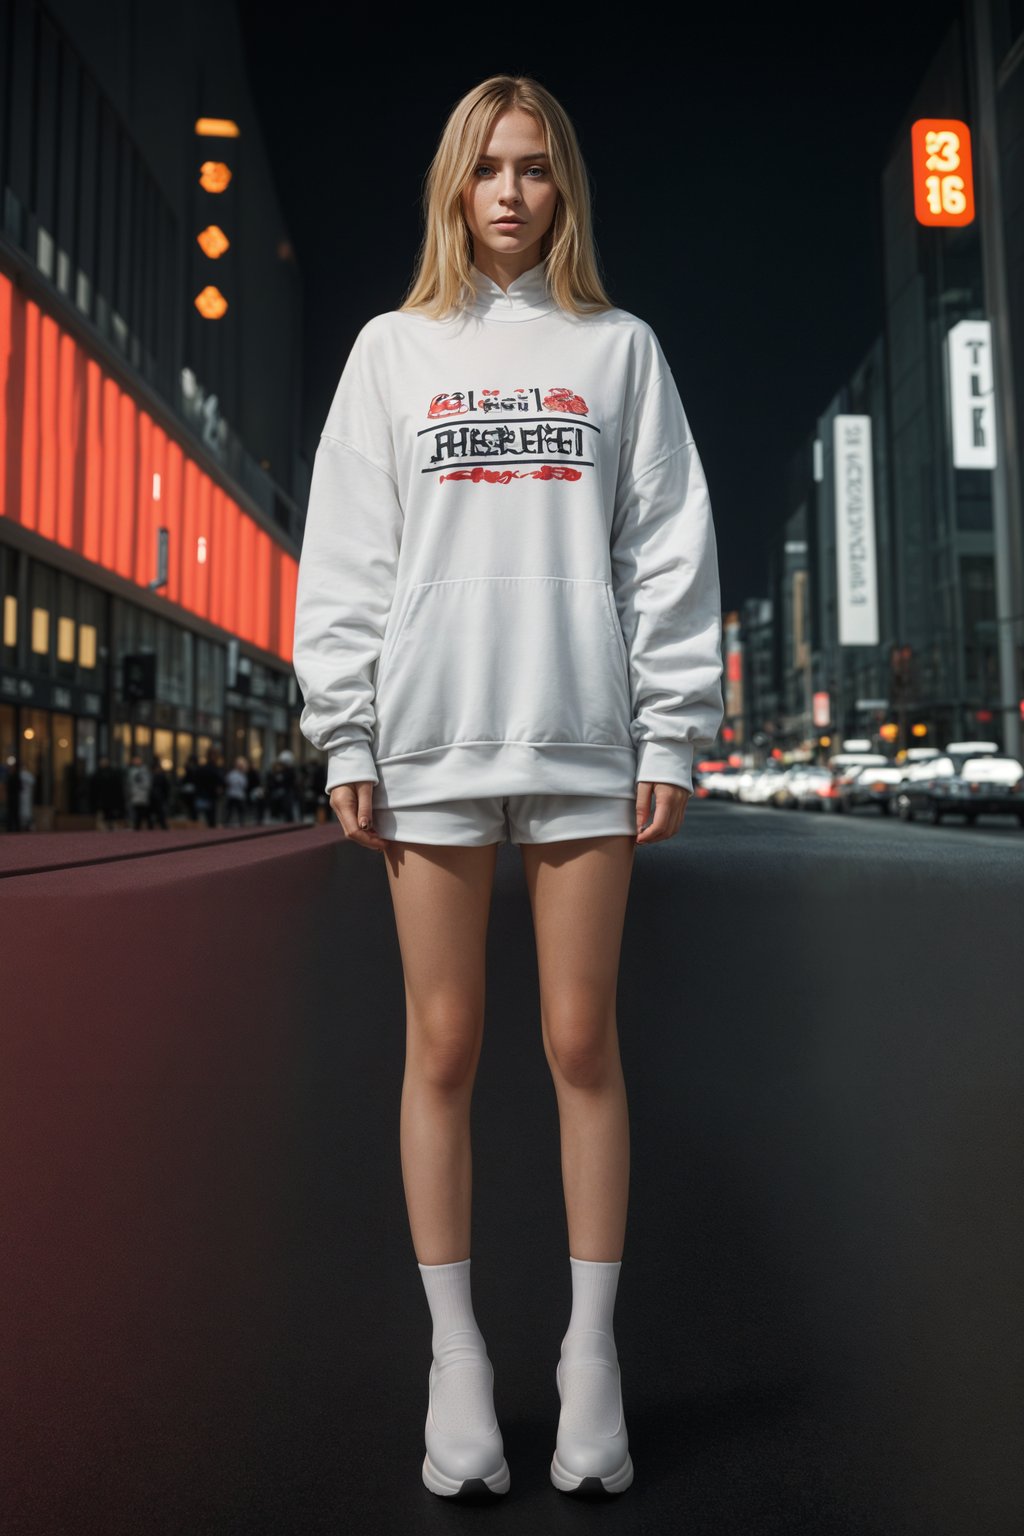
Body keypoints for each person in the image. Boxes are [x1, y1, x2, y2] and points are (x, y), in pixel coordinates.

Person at [291, 74, 724, 1501]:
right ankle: (458, 1365)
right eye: (488, 169)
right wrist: (343, 733)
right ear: (453, 186)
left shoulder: (620, 353)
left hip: (582, 739)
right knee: (445, 1045)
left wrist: (672, 730)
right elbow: (348, 557)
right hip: (430, 744)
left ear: (564, 188)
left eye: (535, 169)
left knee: (583, 1042)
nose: (511, 194)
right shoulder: (392, 353)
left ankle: (589, 1366)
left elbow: (667, 552)